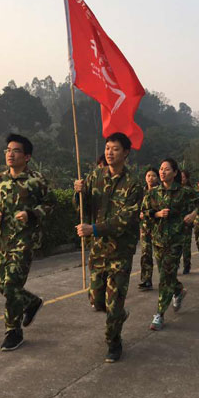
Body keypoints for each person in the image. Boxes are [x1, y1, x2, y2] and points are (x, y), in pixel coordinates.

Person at [74, 132, 143, 363]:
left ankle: (113, 343)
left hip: (120, 251)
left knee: (113, 305)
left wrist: (93, 229)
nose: (109, 152)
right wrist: (79, 193)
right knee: (97, 301)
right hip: (98, 250)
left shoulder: (134, 184)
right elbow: (85, 208)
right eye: (107, 148)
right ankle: (120, 314)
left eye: (114, 148)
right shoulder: (95, 176)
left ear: (125, 153)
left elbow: (126, 219)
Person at [0, 133, 55, 351]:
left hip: (24, 242)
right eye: (7, 150)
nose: (10, 154)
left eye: (15, 150)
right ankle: (32, 302)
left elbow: (51, 204)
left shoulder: (36, 180)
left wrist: (31, 214)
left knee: (12, 285)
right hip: (2, 241)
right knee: (2, 287)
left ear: (27, 156)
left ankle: (13, 331)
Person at [142, 159, 199, 331]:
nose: (162, 172)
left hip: (176, 240)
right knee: (165, 273)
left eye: (167, 169)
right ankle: (178, 290)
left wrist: (193, 214)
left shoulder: (184, 192)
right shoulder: (153, 193)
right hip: (158, 239)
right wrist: (157, 213)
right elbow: (144, 212)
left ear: (175, 173)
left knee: (165, 277)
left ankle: (159, 314)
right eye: (161, 169)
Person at [138, 167, 159, 290]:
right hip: (144, 227)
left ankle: (168, 280)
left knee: (160, 254)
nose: (150, 178)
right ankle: (146, 279)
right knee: (145, 253)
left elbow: (160, 208)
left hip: (158, 226)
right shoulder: (141, 192)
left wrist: (147, 213)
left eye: (153, 176)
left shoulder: (160, 192)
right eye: (148, 175)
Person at [180, 169, 195, 274]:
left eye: (183, 177)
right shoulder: (174, 189)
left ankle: (187, 264)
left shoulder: (190, 191)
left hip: (187, 221)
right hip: (175, 222)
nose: (181, 179)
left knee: (186, 245)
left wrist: (192, 215)